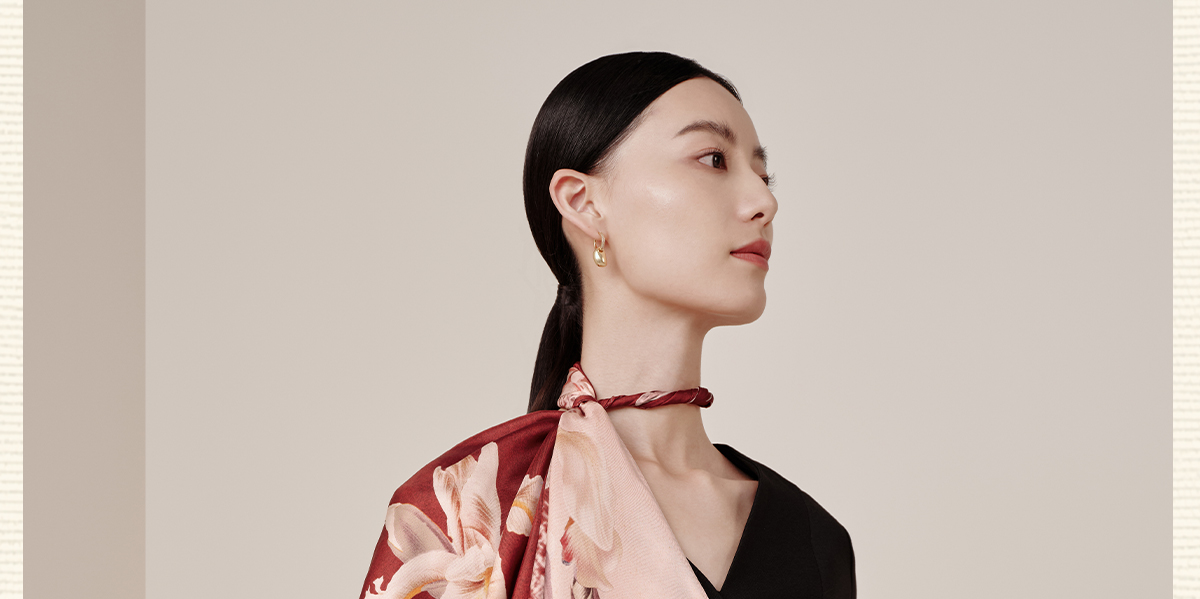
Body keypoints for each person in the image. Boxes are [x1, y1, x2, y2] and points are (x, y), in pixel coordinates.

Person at [359, 51, 856, 599]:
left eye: (764, 176)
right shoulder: (463, 514)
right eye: (714, 159)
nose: (765, 201)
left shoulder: (815, 540)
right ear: (584, 203)